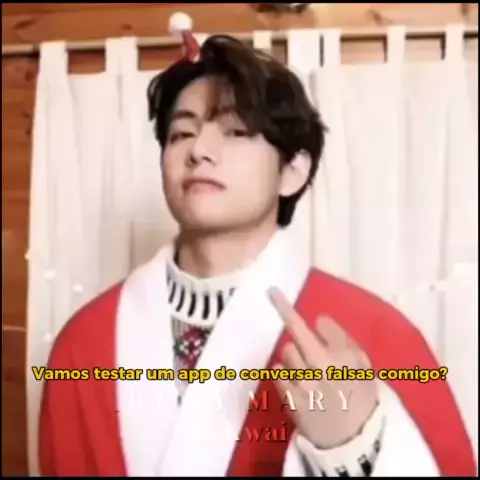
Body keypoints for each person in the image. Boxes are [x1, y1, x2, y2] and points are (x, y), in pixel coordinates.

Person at [38, 13, 476, 477]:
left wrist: (358, 450)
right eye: (181, 133)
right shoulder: (84, 345)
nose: (198, 150)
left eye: (235, 131)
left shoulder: (375, 335)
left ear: (293, 172)